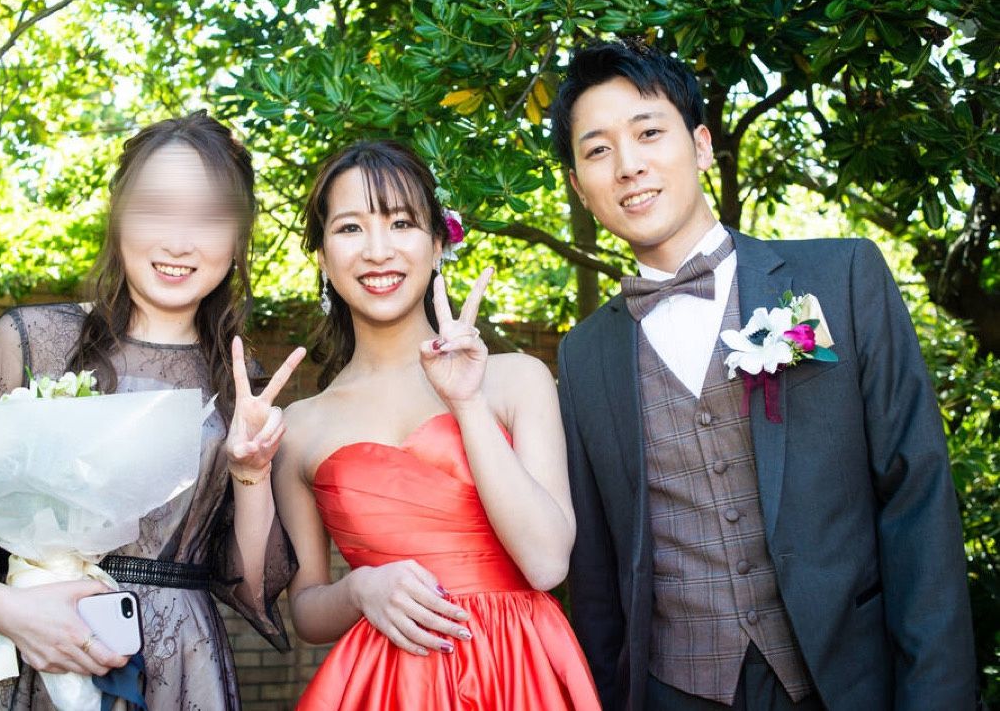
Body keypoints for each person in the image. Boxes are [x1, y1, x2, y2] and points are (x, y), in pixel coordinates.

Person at [552, 38, 977, 710]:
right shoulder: (582, 356)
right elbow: (597, 573)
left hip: (846, 681)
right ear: (579, 186)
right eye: (598, 150)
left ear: (700, 146)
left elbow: (916, 497)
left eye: (648, 133)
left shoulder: (841, 278)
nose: (628, 165)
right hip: (673, 689)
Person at [0, 110, 304, 709]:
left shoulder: (244, 384)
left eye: (210, 216)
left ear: (239, 236)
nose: (179, 241)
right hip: (27, 654)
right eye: (156, 208)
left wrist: (251, 473)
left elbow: (251, 585)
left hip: (175, 667)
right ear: (118, 214)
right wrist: (7, 609)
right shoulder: (32, 341)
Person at [273, 139, 600, 709]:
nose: (378, 250)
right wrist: (359, 589)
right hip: (389, 686)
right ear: (323, 258)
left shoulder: (517, 379)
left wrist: (467, 404)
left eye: (401, 223)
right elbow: (307, 612)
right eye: (350, 228)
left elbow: (548, 563)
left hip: (518, 673)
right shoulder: (300, 426)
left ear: (438, 244)